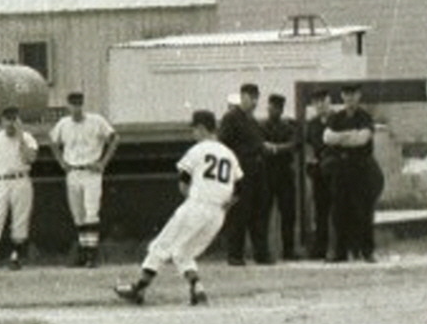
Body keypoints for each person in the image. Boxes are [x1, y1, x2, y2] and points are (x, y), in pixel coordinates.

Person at [114, 109, 240, 307]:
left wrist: (195, 199)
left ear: (201, 128)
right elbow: (239, 188)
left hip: (197, 205)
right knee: (183, 252)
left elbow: (183, 184)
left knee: (160, 246)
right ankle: (197, 287)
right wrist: (223, 203)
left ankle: (138, 288)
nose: (193, 133)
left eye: (194, 129)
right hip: (218, 214)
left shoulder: (198, 149)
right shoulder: (229, 154)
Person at [50, 91, 118, 267]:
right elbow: (52, 141)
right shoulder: (63, 124)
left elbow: (114, 138)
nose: (76, 108)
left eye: (79, 104)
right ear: (68, 106)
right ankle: (83, 251)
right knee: (77, 214)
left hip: (91, 170)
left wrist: (102, 162)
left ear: (83, 105)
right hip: (73, 171)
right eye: (73, 104)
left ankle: (91, 253)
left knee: (91, 211)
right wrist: (61, 162)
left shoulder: (96, 121)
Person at [322, 80, 381, 262]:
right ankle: (339, 252)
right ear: (342, 96)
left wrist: (341, 138)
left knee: (363, 210)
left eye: (353, 94)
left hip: (361, 169)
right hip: (341, 169)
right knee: (339, 211)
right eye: (346, 94)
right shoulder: (336, 117)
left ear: (359, 96)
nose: (350, 98)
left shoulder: (365, 116)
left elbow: (362, 139)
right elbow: (327, 138)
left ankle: (367, 251)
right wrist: (349, 136)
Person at [0, 105, 38, 271]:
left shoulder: (27, 137)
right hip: (1, 181)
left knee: (20, 218)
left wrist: (20, 136)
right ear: (2, 121)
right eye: (7, 119)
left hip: (20, 179)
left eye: (14, 119)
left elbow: (30, 158)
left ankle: (15, 257)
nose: (10, 123)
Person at [218, 83, 271, 264]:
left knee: (259, 212)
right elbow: (224, 144)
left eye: (256, 98)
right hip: (240, 171)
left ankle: (261, 254)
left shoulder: (253, 121)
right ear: (242, 97)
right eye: (250, 97)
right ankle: (235, 255)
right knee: (239, 213)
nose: (254, 102)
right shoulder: (231, 118)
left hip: (257, 171)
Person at [259, 92, 301, 262]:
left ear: (281, 109)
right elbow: (260, 146)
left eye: (276, 107)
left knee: (288, 214)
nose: (272, 110)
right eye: (270, 107)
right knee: (263, 213)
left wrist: (275, 148)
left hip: (284, 174)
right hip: (267, 174)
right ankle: (263, 250)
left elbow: (294, 145)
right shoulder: (261, 127)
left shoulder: (288, 127)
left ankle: (288, 250)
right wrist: (279, 148)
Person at [303, 90, 339, 262]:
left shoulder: (338, 120)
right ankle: (321, 247)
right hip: (319, 173)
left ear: (329, 101)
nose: (319, 106)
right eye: (316, 102)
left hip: (337, 171)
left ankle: (339, 247)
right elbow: (309, 145)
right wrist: (311, 160)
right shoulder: (312, 124)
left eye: (322, 101)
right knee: (320, 210)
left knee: (338, 210)